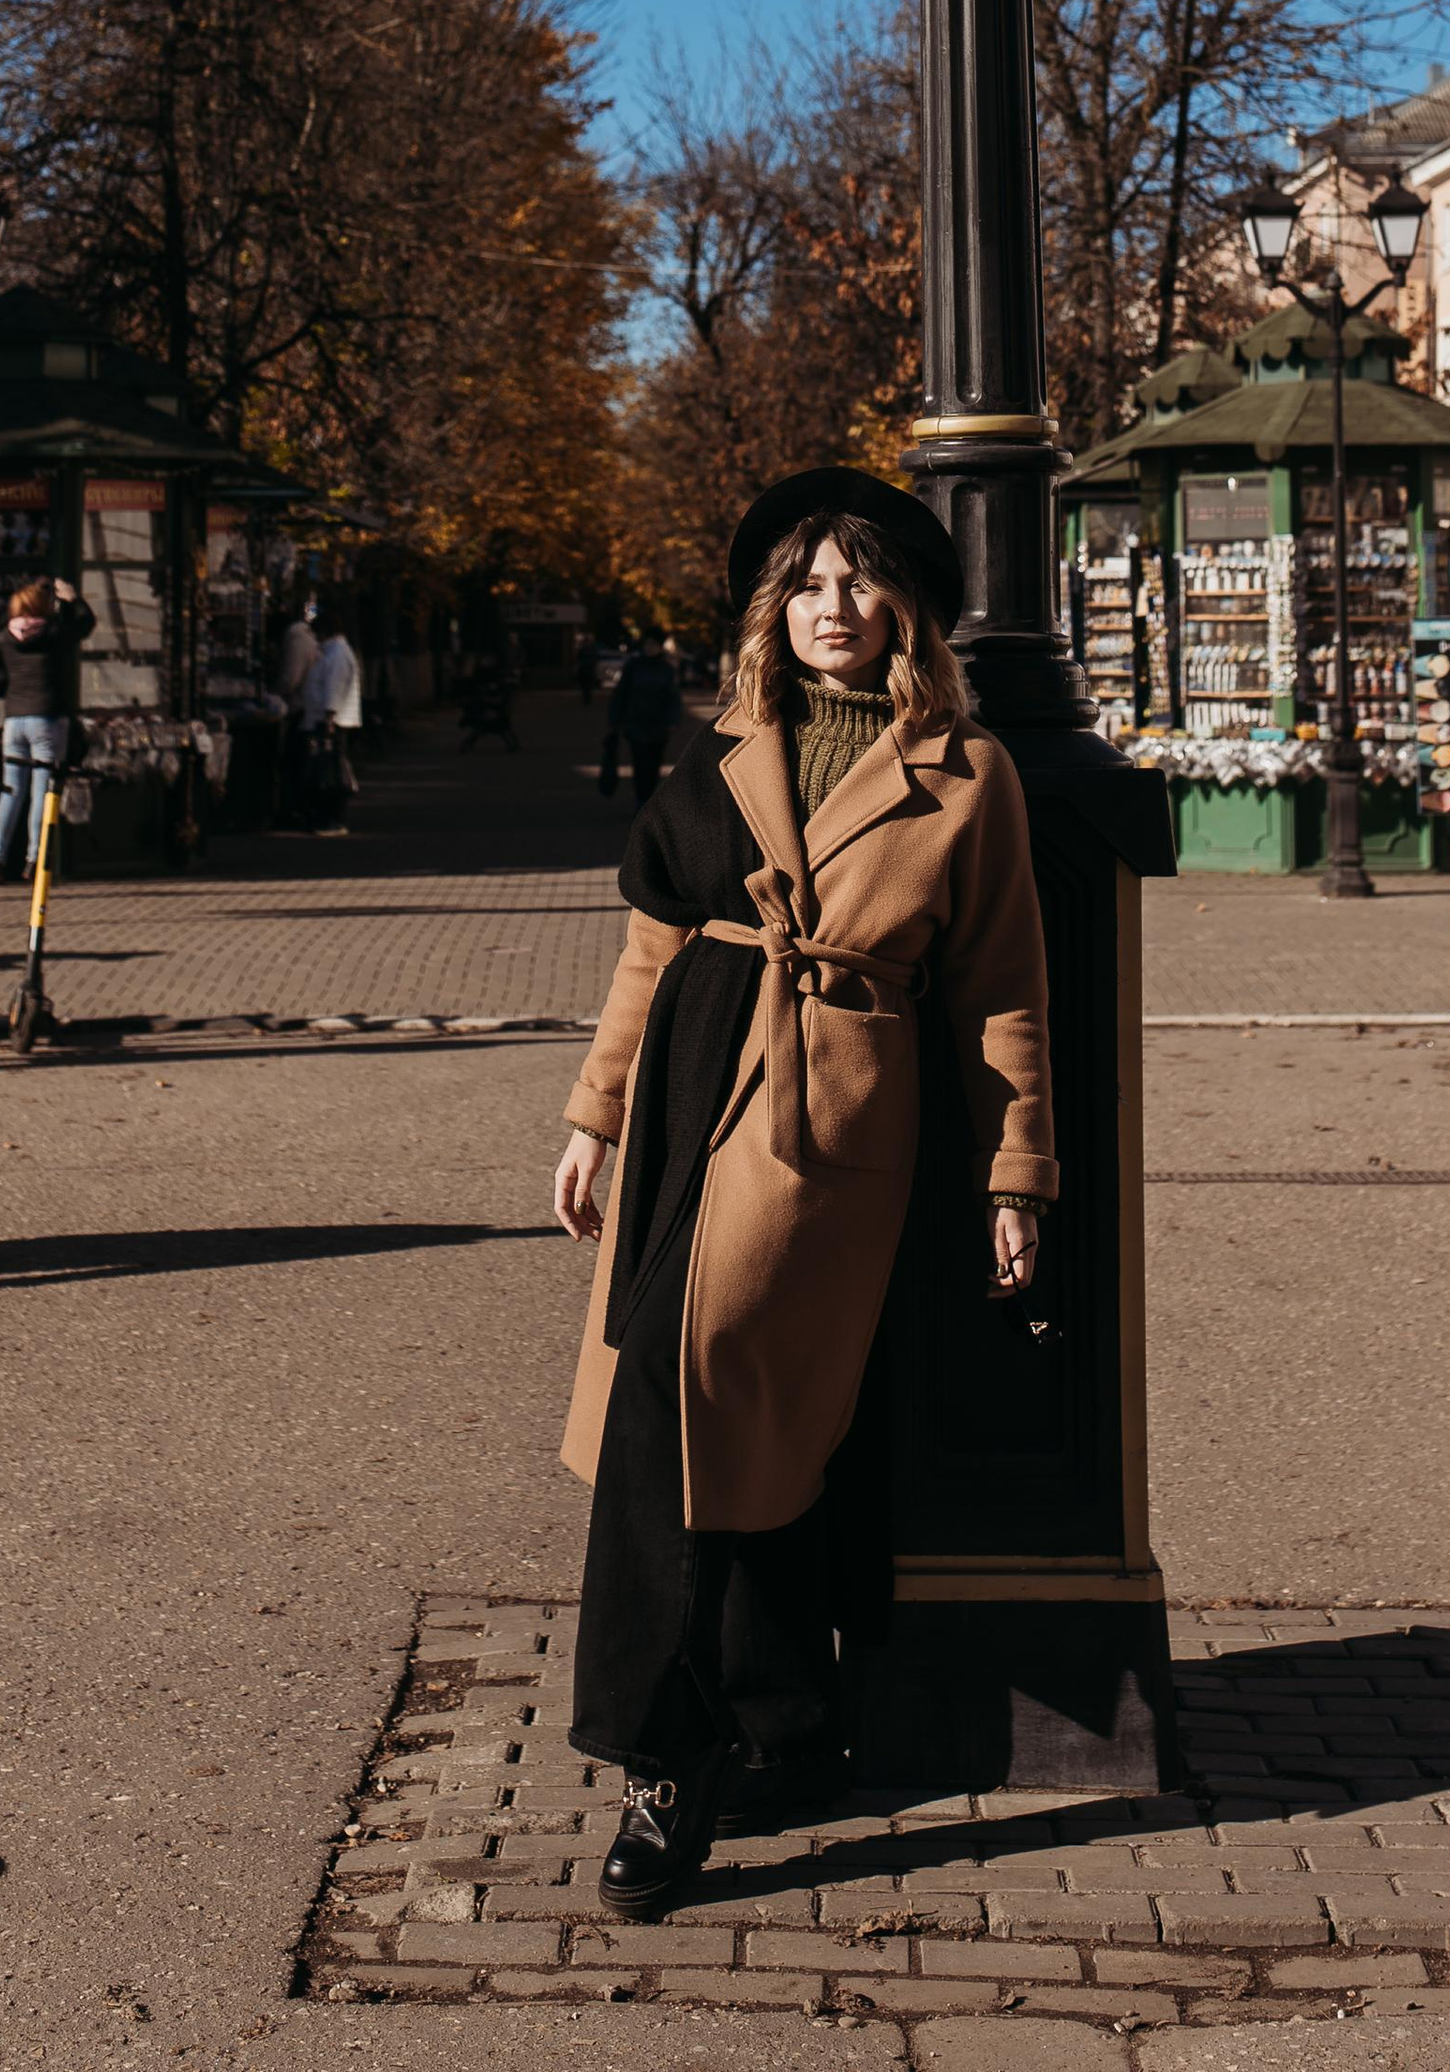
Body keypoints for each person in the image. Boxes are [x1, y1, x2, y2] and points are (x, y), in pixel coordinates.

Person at [551, 466, 1054, 1916]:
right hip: (686, 1093)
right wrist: (593, 1115)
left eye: (860, 581)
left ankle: (664, 1757)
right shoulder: (722, 747)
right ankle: (777, 1723)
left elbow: (1003, 990)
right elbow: (650, 951)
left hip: (829, 1120)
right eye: (809, 584)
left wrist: (1017, 1174)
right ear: (777, 608)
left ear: (905, 606)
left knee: (691, 1402)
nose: (834, 607)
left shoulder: (967, 770)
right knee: (725, 1425)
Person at [0, 575, 95, 883]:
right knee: (42, 793)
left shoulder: (5, 637)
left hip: (14, 720)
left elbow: (3, 620)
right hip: (47, 718)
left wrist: (28, 593)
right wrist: (71, 599)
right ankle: (34, 861)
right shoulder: (53, 633)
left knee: (10, 791)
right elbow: (86, 624)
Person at [289, 606, 362, 829]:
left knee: (329, 772)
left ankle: (332, 818)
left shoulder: (337, 653)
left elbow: (333, 688)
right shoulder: (334, 652)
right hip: (326, 720)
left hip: (329, 722)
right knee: (326, 769)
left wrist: (329, 718)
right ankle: (325, 815)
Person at [600, 632, 683, 805]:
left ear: (659, 647)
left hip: (658, 725)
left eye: (653, 644)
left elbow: (673, 697)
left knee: (654, 763)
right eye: (647, 644)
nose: (650, 648)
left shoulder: (666, 669)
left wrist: (673, 720)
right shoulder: (633, 666)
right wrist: (614, 720)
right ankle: (641, 799)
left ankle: (649, 797)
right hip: (636, 722)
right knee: (639, 763)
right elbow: (621, 694)